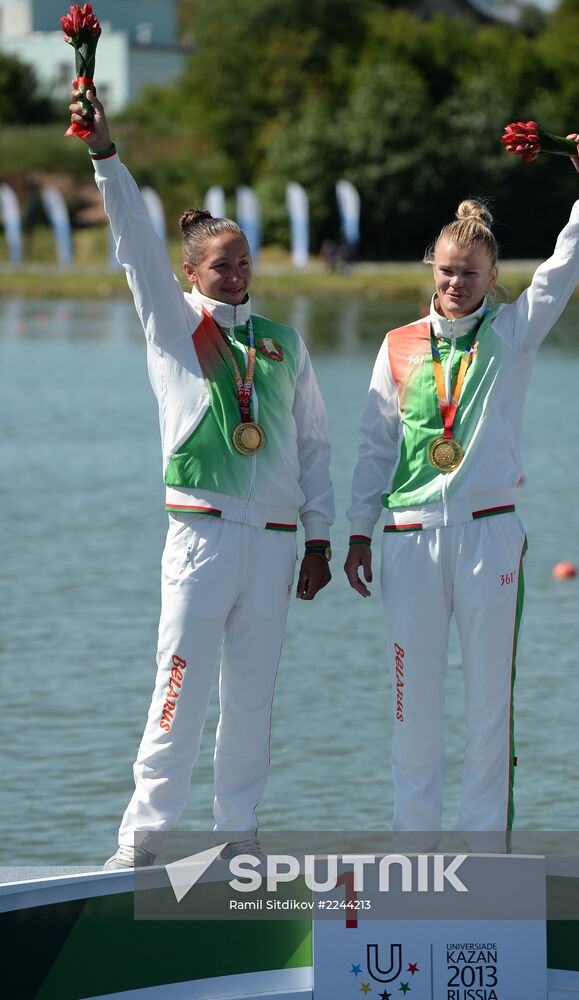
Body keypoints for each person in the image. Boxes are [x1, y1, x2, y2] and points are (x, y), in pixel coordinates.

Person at [67, 91, 335, 869]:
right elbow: (132, 242)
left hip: (277, 544)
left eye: (245, 260)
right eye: (223, 265)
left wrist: (320, 542)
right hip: (201, 537)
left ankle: (237, 836)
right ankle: (143, 838)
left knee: (250, 702)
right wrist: (105, 154)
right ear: (190, 273)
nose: (238, 273)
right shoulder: (174, 326)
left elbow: (315, 448)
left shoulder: (283, 343)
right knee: (179, 688)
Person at [344, 137, 579, 848]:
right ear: (430, 270)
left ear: (493, 276)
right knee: (412, 709)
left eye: (469, 273)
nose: (455, 282)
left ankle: (483, 854)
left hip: (488, 533)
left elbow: (562, 270)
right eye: (445, 270)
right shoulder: (398, 343)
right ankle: (413, 851)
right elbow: (374, 445)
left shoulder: (514, 331)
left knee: (490, 707)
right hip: (405, 540)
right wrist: (355, 532)